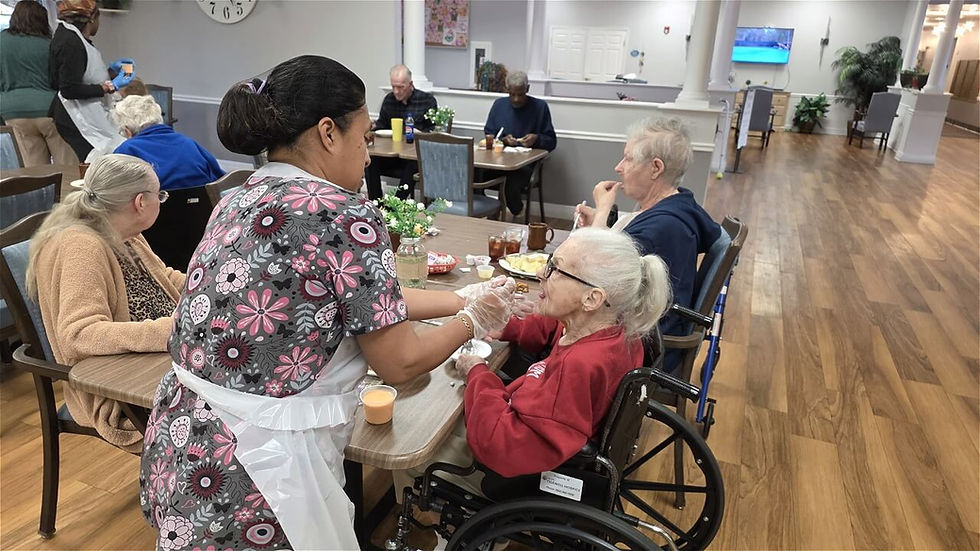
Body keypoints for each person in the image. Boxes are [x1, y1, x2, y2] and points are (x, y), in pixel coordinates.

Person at [138, 55, 517, 551]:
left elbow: (355, 296)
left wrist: (456, 299)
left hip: (182, 442)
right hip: (257, 464)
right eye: (364, 137)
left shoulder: (238, 196)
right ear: (327, 133)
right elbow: (399, 362)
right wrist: (471, 320)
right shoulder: (342, 213)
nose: (367, 156)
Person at [393, 227, 671, 499]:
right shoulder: (612, 326)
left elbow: (500, 445)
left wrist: (477, 372)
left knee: (409, 448)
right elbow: (553, 328)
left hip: (518, 473)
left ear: (592, 298)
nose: (541, 273)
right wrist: (508, 326)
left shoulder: (578, 366)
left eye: (555, 270)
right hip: (548, 436)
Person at [26, 154, 185, 453]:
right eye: (160, 195)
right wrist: (170, 331)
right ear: (140, 202)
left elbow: (162, 277)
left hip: (154, 360)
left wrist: (212, 287)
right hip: (117, 391)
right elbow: (78, 334)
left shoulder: (125, 232)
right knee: (225, 406)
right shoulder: (81, 246)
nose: (161, 201)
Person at [575, 117, 721, 372]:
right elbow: (630, 259)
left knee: (539, 320)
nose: (619, 167)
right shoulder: (678, 206)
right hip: (647, 330)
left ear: (656, 168)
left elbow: (591, 270)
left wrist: (602, 213)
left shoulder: (663, 226)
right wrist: (601, 228)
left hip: (642, 347)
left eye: (628, 158)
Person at [48, 0, 134, 162]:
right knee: (99, 159)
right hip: (76, 118)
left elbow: (79, 74)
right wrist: (107, 88)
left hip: (81, 113)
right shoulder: (71, 43)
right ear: (92, 19)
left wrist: (109, 73)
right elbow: (68, 88)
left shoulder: (70, 37)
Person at [0, 0, 77, 166]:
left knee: (36, 172)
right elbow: (61, 80)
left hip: (14, 113)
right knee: (67, 167)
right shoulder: (50, 44)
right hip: (51, 111)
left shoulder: (1, 41)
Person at [482, 70, 557, 217]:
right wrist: (503, 139)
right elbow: (489, 133)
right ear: (507, 90)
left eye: (520, 94)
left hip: (524, 166)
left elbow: (551, 141)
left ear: (527, 89)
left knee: (510, 183)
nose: (516, 99)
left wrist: (536, 139)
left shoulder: (540, 107)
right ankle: (489, 212)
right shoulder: (499, 105)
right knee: (474, 176)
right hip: (498, 162)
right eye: (512, 94)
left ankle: (517, 210)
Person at [111, 94, 224, 191]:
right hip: (203, 211)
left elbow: (113, 192)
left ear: (127, 131)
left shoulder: (125, 151)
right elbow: (222, 179)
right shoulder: (188, 143)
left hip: (154, 213)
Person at [365, 64, 437, 200]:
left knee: (411, 163)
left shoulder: (427, 101)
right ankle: (376, 203)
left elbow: (434, 130)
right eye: (393, 87)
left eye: (400, 87)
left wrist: (420, 133)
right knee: (371, 160)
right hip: (391, 154)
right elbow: (381, 125)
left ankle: (397, 204)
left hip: (414, 157)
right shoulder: (389, 100)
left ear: (411, 84)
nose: (396, 91)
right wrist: (371, 127)